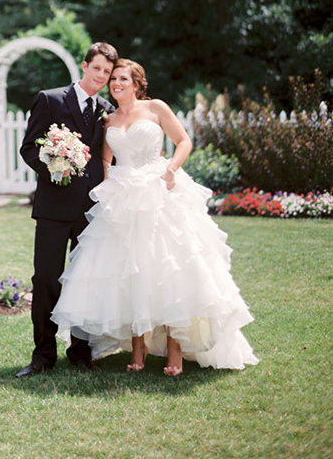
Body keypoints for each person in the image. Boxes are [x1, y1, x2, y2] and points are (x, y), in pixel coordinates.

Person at [51, 59, 258, 375]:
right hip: (123, 196)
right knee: (130, 270)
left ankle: (175, 348)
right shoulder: (108, 119)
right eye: (113, 79)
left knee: (166, 267)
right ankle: (138, 347)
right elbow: (106, 160)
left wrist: (171, 169)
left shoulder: (156, 108)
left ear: (136, 83)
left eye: (123, 78)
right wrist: (109, 190)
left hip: (159, 189)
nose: (116, 84)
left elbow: (183, 141)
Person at [15, 41, 118, 377]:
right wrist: (55, 167)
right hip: (52, 207)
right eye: (97, 68)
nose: (101, 76)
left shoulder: (106, 109)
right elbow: (29, 148)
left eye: (107, 71)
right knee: (46, 279)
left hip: (91, 211)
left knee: (85, 282)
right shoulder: (50, 99)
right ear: (84, 65)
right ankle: (42, 355)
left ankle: (80, 350)